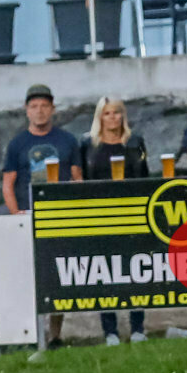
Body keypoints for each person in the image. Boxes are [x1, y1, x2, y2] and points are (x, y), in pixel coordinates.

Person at [2, 83, 83, 350]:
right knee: (28, 277)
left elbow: (76, 178)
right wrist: (16, 215)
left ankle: (55, 335)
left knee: (57, 276)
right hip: (28, 215)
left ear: (53, 109)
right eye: (34, 106)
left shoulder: (67, 141)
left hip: (59, 217)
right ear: (27, 110)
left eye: (44, 106)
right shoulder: (17, 144)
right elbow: (8, 183)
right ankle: (30, 335)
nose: (39, 111)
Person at [80, 97, 149, 345]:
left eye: (117, 113)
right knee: (104, 272)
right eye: (107, 113)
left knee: (136, 271)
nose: (112, 118)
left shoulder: (136, 142)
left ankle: (138, 327)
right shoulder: (87, 144)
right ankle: (109, 331)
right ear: (100, 117)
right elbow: (83, 181)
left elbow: (145, 176)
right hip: (101, 217)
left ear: (123, 116)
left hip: (132, 214)